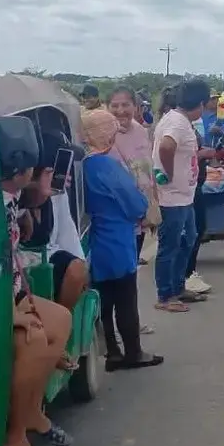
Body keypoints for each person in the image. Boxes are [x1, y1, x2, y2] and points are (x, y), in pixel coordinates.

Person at [1, 134, 73, 446]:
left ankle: (31, 412)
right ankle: (15, 437)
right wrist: (10, 313)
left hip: (13, 289)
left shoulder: (13, 197)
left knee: (60, 320)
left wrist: (40, 197)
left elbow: (27, 202)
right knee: (34, 338)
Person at [81, 110, 164, 371]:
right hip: (116, 241)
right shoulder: (106, 166)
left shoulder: (81, 165)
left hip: (95, 242)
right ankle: (133, 353)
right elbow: (136, 204)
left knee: (104, 301)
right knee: (126, 300)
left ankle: (112, 352)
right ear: (106, 135)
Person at [152, 79, 212, 312]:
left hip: (184, 196)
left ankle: (178, 287)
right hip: (173, 198)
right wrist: (168, 173)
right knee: (170, 246)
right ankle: (165, 295)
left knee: (189, 239)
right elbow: (166, 147)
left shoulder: (179, 120)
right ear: (200, 103)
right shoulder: (177, 122)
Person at [17, 131, 89, 313]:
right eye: (53, 170)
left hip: (48, 261)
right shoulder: (12, 197)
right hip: (18, 270)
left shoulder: (58, 194)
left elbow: (67, 233)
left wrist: (81, 272)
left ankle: (62, 316)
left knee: (77, 270)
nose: (65, 175)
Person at [108, 86, 160, 265]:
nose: (120, 110)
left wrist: (154, 201)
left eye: (125, 105)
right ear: (107, 107)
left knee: (132, 264)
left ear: (136, 108)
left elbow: (148, 169)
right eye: (115, 106)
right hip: (118, 213)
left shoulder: (141, 131)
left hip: (142, 211)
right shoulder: (104, 135)